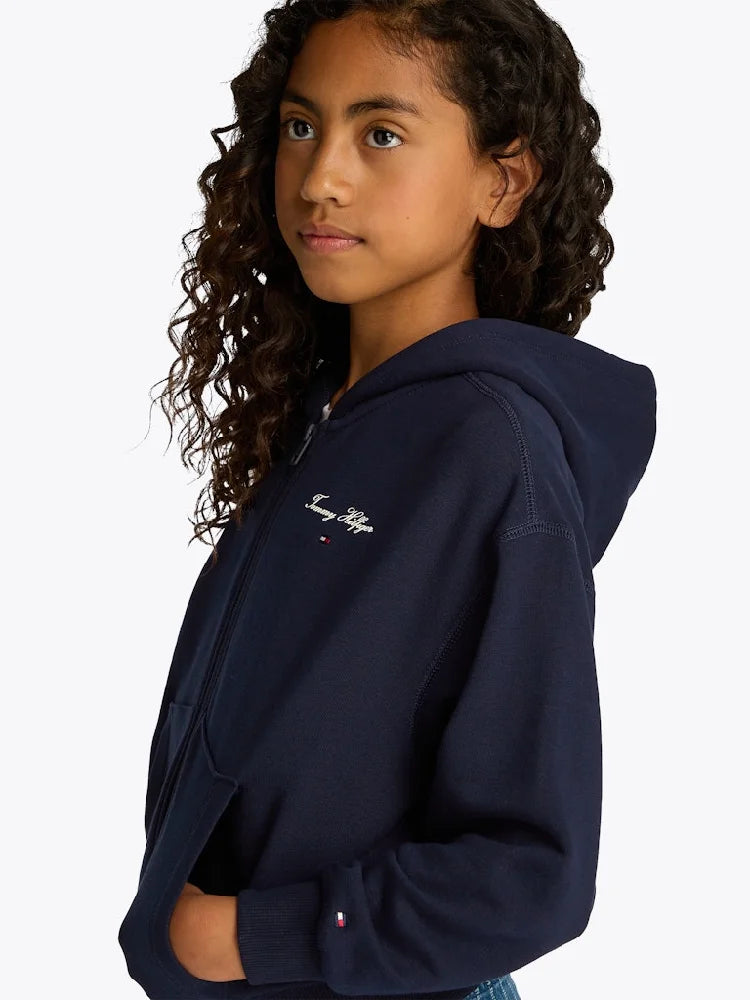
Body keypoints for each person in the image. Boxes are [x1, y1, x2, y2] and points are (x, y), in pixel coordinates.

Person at [117, 3, 657, 999]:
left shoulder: (491, 452)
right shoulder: (324, 417)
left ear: (502, 182)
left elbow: (533, 871)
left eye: (381, 134)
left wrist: (252, 937)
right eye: (301, 125)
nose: (319, 176)